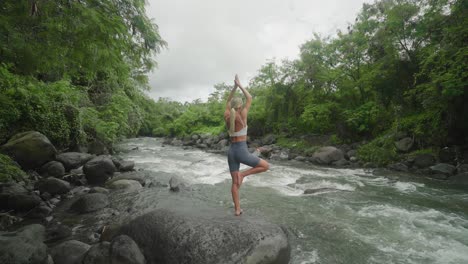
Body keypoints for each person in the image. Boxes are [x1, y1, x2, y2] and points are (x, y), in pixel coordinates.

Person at [224, 74, 269, 216]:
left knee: (234, 183)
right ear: (240, 106)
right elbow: (249, 98)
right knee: (265, 166)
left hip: (231, 152)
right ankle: (244, 174)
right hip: (242, 152)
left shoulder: (227, 115)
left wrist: (234, 87)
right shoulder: (242, 114)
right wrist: (240, 85)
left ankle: (237, 209)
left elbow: (228, 100)